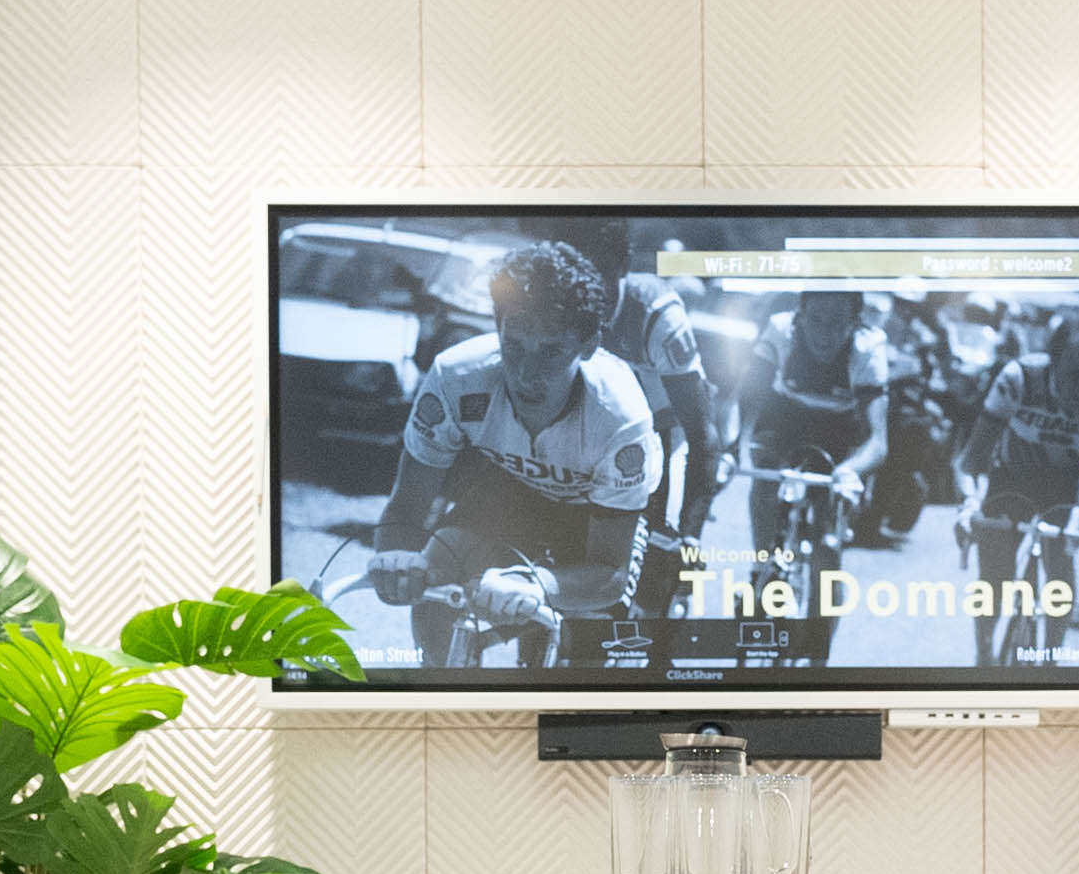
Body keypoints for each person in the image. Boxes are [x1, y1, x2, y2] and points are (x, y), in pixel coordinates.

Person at [365, 241, 659, 667]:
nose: (526, 374)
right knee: (440, 562)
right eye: (514, 345)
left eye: (551, 351)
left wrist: (538, 583)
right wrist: (397, 562)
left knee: (585, 654)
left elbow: (609, 573)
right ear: (496, 327)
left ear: (589, 344)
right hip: (506, 494)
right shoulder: (456, 376)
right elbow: (406, 508)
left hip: (591, 517)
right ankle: (446, 688)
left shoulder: (621, 418)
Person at [959, 299, 1079, 650]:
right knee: (994, 579)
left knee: (1060, 566)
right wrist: (969, 503)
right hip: (1010, 478)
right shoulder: (1020, 378)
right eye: (1073, 374)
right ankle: (984, 656)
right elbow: (973, 458)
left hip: (1064, 486)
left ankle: (1054, 659)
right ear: (1052, 362)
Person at [738, 286, 892, 579]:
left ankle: (825, 567)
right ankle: (760, 567)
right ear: (800, 316)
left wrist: (850, 470)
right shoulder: (781, 331)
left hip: (839, 426)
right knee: (766, 477)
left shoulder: (868, 348)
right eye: (816, 320)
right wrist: (735, 445)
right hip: (784, 416)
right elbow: (747, 397)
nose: (824, 333)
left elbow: (877, 440)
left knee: (831, 507)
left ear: (855, 323)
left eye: (836, 323)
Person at [601, 242, 723, 542]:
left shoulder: (659, 310)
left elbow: (702, 434)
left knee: (664, 538)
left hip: (665, 422)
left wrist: (690, 534)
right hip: (605, 425)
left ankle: (676, 578)